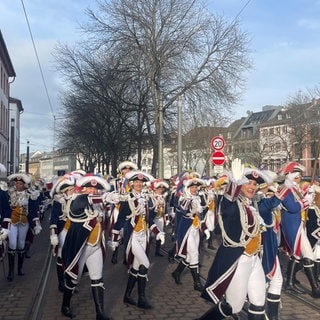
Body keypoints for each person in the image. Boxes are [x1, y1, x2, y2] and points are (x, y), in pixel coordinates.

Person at [197, 159, 287, 320]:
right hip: (239, 260)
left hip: (254, 259)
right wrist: (234, 183)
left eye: (254, 184)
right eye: (248, 183)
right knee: (233, 306)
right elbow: (228, 205)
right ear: (240, 185)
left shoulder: (252, 204)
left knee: (259, 302)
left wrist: (284, 182)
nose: (252, 187)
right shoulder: (232, 203)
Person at [61, 174, 115, 320]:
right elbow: (79, 206)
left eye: (96, 188)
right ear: (83, 189)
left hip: (96, 245)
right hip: (81, 247)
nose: (93, 190)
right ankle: (65, 305)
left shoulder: (100, 203)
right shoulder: (77, 199)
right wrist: (104, 197)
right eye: (90, 188)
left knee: (97, 278)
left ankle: (100, 313)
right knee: (73, 279)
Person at [110, 170, 165, 309]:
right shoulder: (126, 198)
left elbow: (148, 219)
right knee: (145, 264)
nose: (139, 184)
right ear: (132, 184)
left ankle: (127, 296)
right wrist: (115, 239)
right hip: (133, 236)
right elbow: (120, 219)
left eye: (141, 182)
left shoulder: (145, 199)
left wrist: (158, 232)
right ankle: (141, 298)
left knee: (136, 267)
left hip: (143, 236)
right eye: (136, 182)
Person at [280, 161, 320, 298]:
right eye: (296, 176)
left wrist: (308, 195)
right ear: (289, 175)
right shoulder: (284, 189)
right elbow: (293, 207)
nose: (299, 178)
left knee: (297, 255)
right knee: (307, 254)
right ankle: (315, 288)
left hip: (297, 223)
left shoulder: (293, 189)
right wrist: (306, 201)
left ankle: (289, 283)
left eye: (299, 176)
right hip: (291, 225)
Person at [171, 177, 209, 292]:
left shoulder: (198, 198)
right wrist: (188, 202)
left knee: (189, 257)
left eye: (196, 187)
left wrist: (205, 228)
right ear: (187, 188)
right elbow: (182, 209)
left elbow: (200, 215)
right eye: (192, 187)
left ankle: (176, 272)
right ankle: (197, 283)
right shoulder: (184, 198)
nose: (194, 189)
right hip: (186, 228)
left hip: (195, 229)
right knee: (194, 254)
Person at [2, 173, 42, 281]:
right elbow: (5, 208)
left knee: (21, 244)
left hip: (24, 222)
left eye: (20, 183)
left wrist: (36, 224)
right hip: (12, 222)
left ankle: (19, 268)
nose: (18, 185)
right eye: (16, 183)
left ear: (24, 185)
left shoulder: (30, 195)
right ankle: (10, 271)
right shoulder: (9, 194)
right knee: (12, 244)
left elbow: (33, 211)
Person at [49, 173, 78, 292]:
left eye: (74, 189)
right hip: (63, 231)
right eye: (71, 189)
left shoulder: (78, 199)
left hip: (74, 231)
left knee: (73, 257)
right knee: (61, 257)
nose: (73, 191)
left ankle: (70, 282)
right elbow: (54, 218)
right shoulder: (58, 200)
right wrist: (53, 234)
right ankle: (61, 282)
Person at [108, 160, 138, 264]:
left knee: (128, 233)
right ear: (121, 171)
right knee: (116, 231)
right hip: (118, 209)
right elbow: (110, 194)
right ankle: (115, 253)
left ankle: (127, 256)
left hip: (131, 210)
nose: (127, 170)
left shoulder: (135, 181)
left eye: (129, 169)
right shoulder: (116, 182)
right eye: (125, 169)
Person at [149, 179, 170, 257]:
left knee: (160, 234)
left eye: (162, 189)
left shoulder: (163, 197)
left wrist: (167, 219)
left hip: (160, 218)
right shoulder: (151, 197)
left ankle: (157, 251)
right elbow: (150, 208)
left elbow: (166, 209)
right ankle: (146, 249)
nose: (161, 190)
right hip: (153, 218)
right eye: (159, 189)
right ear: (155, 189)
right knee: (151, 235)